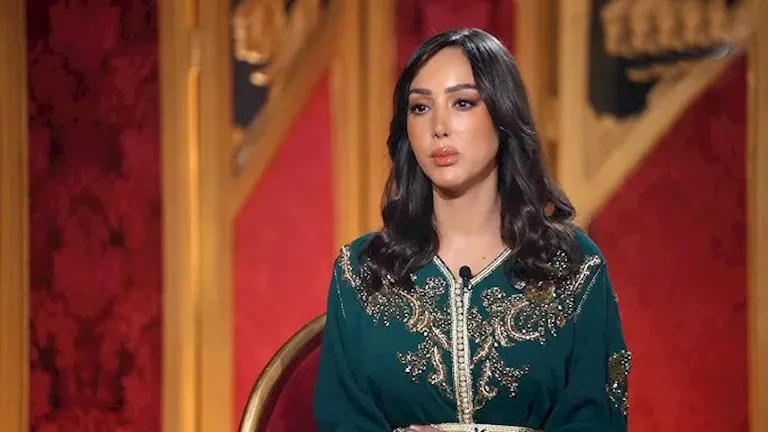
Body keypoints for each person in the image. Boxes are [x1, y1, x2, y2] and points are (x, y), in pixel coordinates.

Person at [313, 28, 630, 432]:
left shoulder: (573, 267)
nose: (439, 127)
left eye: (462, 103)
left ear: (502, 114)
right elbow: (342, 421)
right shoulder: (362, 271)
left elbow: (596, 420)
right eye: (420, 108)